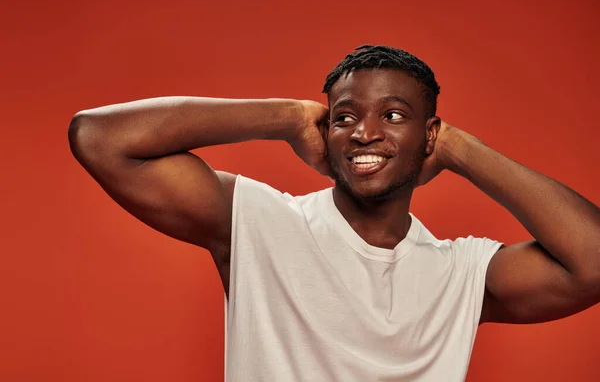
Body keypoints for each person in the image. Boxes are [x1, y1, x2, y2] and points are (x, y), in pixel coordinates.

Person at [68, 45, 600, 381]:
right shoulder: (260, 222)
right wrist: (290, 117)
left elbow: (592, 261)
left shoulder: (460, 273)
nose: (365, 132)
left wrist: (462, 150)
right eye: (344, 117)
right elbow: (99, 138)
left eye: (394, 115)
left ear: (430, 134)